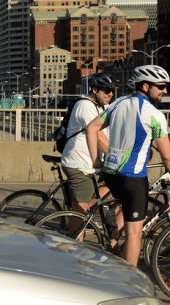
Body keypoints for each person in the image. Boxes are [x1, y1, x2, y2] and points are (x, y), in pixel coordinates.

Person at [86, 65, 170, 267]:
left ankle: (113, 236)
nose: (165, 91)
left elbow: (91, 128)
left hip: (111, 175)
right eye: (160, 86)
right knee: (135, 234)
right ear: (145, 86)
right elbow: (167, 155)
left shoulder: (117, 104)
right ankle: (128, 285)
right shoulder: (154, 115)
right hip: (132, 178)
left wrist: (96, 160)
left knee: (128, 207)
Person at [60, 73, 116, 240]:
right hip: (78, 163)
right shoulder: (85, 105)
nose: (110, 94)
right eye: (106, 91)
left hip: (92, 164)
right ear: (94, 90)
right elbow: (98, 135)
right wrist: (116, 157)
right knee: (82, 209)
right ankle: (74, 249)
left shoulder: (103, 108)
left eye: (112, 91)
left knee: (115, 187)